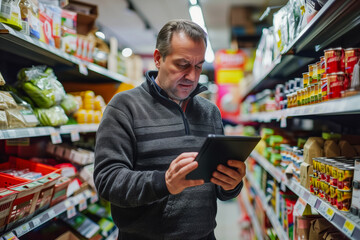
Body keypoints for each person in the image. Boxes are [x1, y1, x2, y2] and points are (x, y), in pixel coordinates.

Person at [94, 19, 246, 240]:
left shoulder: (210, 112)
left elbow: (219, 188)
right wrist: (163, 182)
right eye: (183, 64)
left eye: (198, 66)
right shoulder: (124, 107)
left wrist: (231, 183)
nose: (192, 76)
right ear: (158, 58)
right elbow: (107, 180)